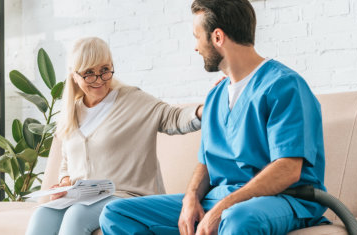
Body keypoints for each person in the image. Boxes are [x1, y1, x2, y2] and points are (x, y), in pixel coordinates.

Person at [99, 0, 328, 234]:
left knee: (238, 219)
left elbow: (288, 169)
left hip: (281, 199)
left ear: (217, 37)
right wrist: (190, 199)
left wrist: (221, 209)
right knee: (116, 213)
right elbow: (207, 161)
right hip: (220, 198)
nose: (195, 47)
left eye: (197, 37)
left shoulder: (284, 86)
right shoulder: (216, 95)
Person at [25, 37, 203, 235]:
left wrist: (204, 110)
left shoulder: (132, 100)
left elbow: (172, 117)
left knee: (76, 215)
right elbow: (67, 164)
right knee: (42, 214)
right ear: (75, 76)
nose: (99, 80)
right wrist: (65, 182)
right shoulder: (71, 112)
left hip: (126, 196)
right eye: (89, 73)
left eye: (105, 70)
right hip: (83, 198)